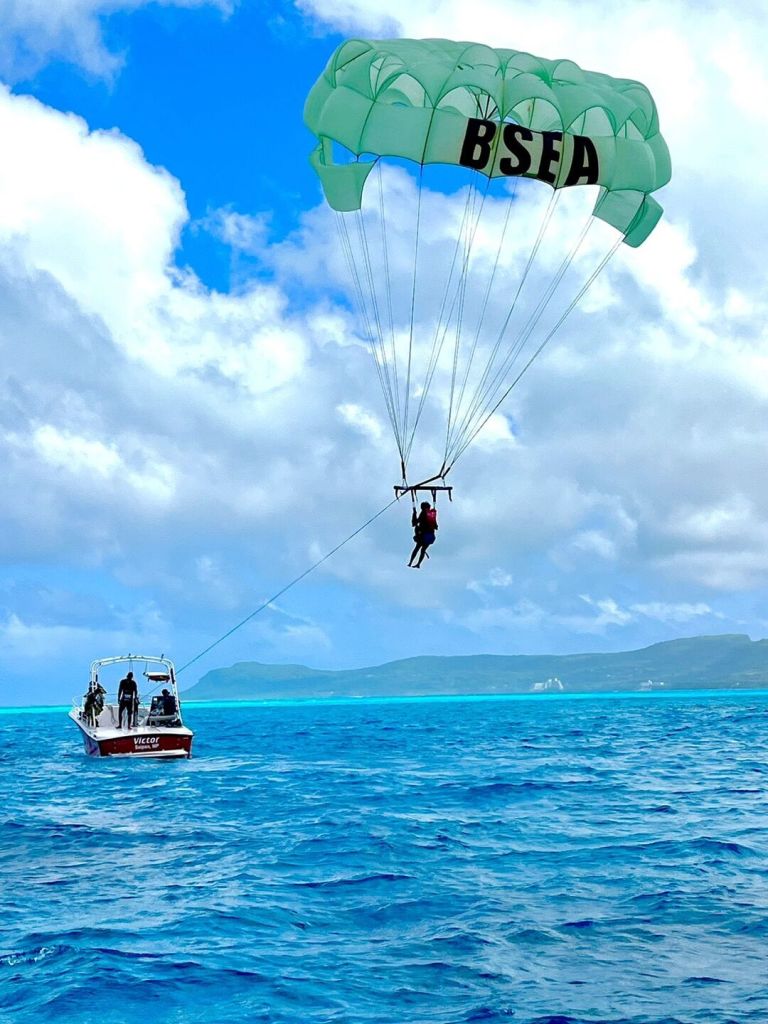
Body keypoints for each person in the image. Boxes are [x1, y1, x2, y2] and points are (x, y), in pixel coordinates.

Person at [408, 501, 438, 568]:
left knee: (417, 548)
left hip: (423, 536)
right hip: (431, 536)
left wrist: (414, 514)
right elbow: (436, 526)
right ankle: (418, 564)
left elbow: (415, 523)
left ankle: (410, 562)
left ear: (422, 508)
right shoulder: (432, 514)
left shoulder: (423, 513)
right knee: (423, 550)